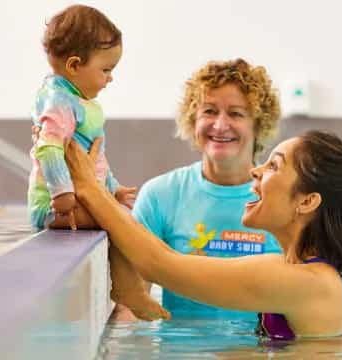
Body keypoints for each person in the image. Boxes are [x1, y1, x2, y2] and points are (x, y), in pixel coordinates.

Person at [64, 129, 342, 339]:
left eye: (274, 166)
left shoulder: (304, 281)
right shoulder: (300, 272)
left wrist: (90, 189)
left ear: (307, 201)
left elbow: (159, 263)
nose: (255, 171)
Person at [115, 58, 283, 319]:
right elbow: (132, 303)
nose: (220, 125)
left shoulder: (282, 199)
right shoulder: (161, 195)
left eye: (236, 113)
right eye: (209, 111)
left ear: (258, 125)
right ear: (192, 120)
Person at [27, 4, 136, 231]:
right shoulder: (59, 102)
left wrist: (113, 188)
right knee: (123, 222)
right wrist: (62, 192)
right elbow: (49, 149)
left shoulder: (81, 102)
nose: (110, 78)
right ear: (75, 65)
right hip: (55, 206)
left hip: (81, 196)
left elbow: (96, 158)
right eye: (105, 70)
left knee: (126, 217)